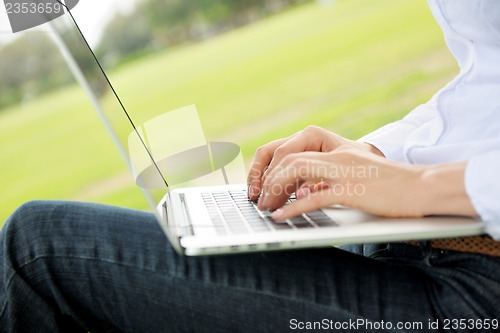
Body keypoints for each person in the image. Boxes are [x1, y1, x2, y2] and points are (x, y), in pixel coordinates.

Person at [2, 0, 500, 332]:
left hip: (472, 293)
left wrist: (427, 186)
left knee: (37, 247)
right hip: (425, 234)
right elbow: (485, 78)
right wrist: (379, 156)